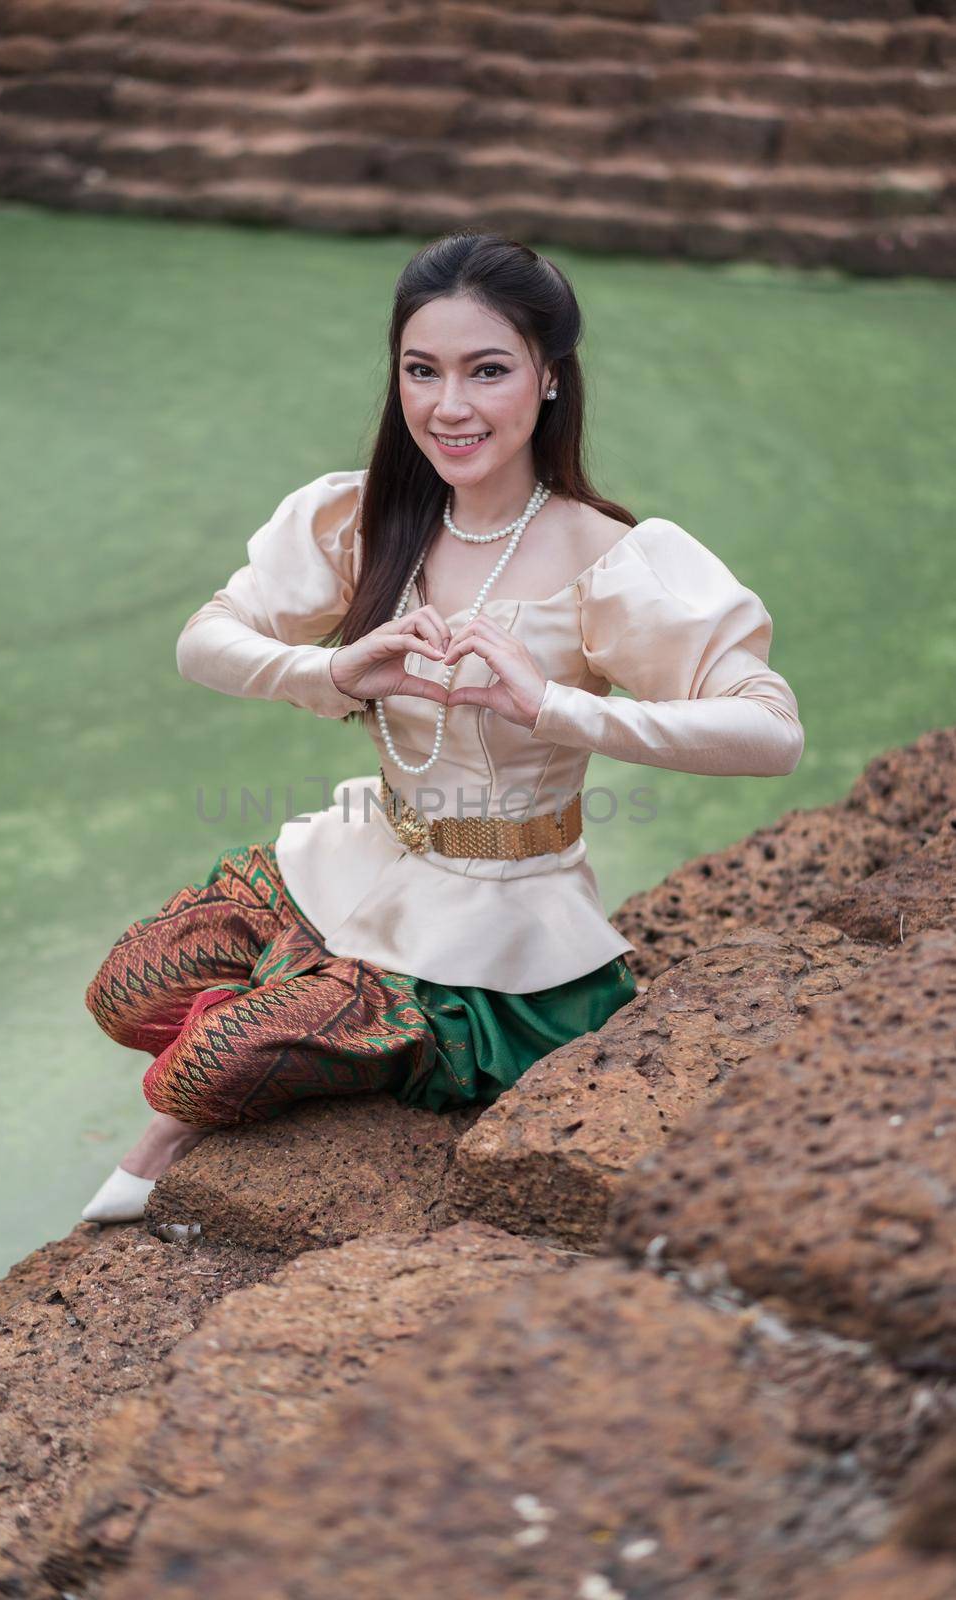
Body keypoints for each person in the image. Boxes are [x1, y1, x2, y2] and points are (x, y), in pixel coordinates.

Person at [80, 231, 804, 1223]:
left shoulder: (611, 559)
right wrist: (332, 668)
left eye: (487, 370)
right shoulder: (364, 518)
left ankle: (211, 1096)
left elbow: (770, 730)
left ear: (547, 377)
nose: (447, 405)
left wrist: (548, 703)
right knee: (127, 988)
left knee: (203, 1069)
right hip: (360, 856)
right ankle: (298, 993)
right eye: (421, 370)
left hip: (498, 927)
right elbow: (203, 641)